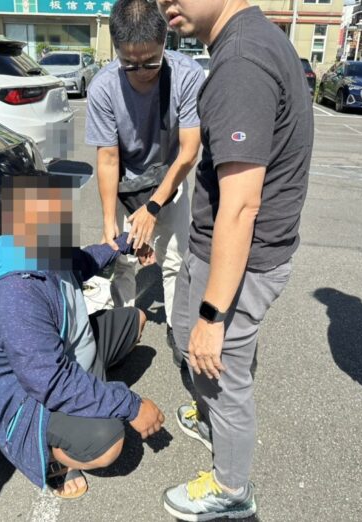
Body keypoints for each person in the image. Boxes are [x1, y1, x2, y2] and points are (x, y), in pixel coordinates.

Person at [155, 0, 314, 519]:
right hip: (220, 250)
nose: (164, 4)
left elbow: (242, 206)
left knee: (219, 374)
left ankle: (230, 489)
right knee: (193, 347)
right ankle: (211, 423)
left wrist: (213, 315)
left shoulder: (242, 59)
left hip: (242, 260)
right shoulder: (249, 40)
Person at [0, 175, 165, 499]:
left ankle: (91, 390)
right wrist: (131, 405)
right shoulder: (15, 294)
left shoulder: (42, 248)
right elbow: (51, 382)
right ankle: (52, 461)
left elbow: (85, 261)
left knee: (137, 319)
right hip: (32, 400)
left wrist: (127, 242)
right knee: (107, 440)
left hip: (70, 351)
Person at [85, 0, 205, 364]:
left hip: (171, 176)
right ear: (116, 49)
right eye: (129, 63)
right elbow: (108, 159)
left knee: (175, 259)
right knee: (122, 260)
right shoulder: (104, 87)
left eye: (150, 61)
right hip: (125, 185)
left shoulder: (187, 75)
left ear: (165, 40)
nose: (140, 72)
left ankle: (178, 330)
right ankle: (123, 329)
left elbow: (189, 152)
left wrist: (153, 207)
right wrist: (109, 220)